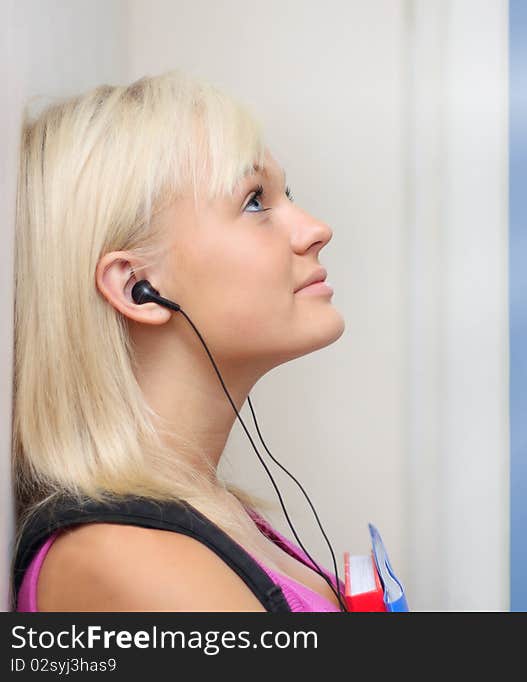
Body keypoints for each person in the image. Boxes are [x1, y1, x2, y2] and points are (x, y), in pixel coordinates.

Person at [11, 69, 347, 611]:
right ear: (138, 288)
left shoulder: (216, 517)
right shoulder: (124, 560)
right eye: (256, 201)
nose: (315, 229)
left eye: (289, 194)